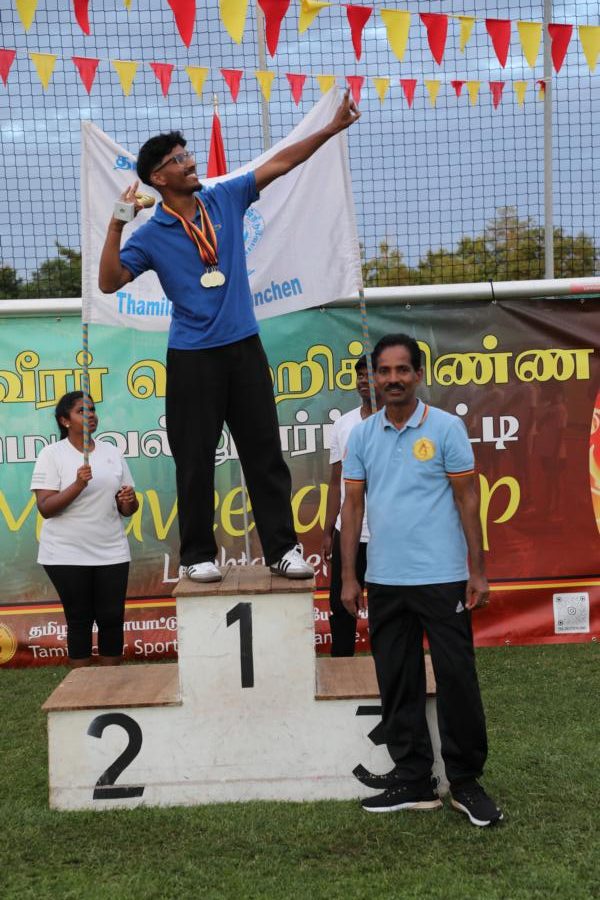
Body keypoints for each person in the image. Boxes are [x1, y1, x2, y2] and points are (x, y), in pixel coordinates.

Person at [98, 91, 360, 584]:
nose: (190, 162)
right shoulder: (149, 235)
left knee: (265, 454)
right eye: (178, 160)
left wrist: (329, 130)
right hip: (192, 357)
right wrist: (116, 223)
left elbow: (282, 163)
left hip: (243, 348)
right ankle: (198, 555)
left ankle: (282, 550)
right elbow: (109, 283)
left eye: (187, 154)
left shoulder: (223, 197)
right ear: (158, 177)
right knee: (195, 462)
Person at [341, 334, 503, 827]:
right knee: (397, 679)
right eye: (384, 371)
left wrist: (477, 570)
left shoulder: (447, 428)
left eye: (402, 370)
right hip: (385, 580)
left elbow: (468, 501)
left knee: (456, 678)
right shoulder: (361, 436)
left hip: (442, 577)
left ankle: (466, 782)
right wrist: (349, 576)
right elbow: (352, 507)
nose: (392, 379)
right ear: (373, 377)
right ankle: (414, 779)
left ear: (418, 374)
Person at [31, 392, 139, 667]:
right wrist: (78, 485)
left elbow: (127, 509)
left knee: (112, 618)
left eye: (93, 409)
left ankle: (110, 684)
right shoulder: (51, 454)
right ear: (65, 421)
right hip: (65, 553)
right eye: (82, 410)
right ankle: (81, 686)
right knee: (79, 619)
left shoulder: (112, 453)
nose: (90, 415)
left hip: (111, 550)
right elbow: (46, 508)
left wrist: (129, 500)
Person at [322, 355, 380, 656]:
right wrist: (328, 531)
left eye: (369, 374)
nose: (363, 380)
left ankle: (388, 667)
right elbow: (336, 482)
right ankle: (341, 666)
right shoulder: (343, 424)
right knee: (341, 605)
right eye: (359, 375)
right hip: (349, 532)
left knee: (387, 608)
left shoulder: (396, 423)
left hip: (386, 535)